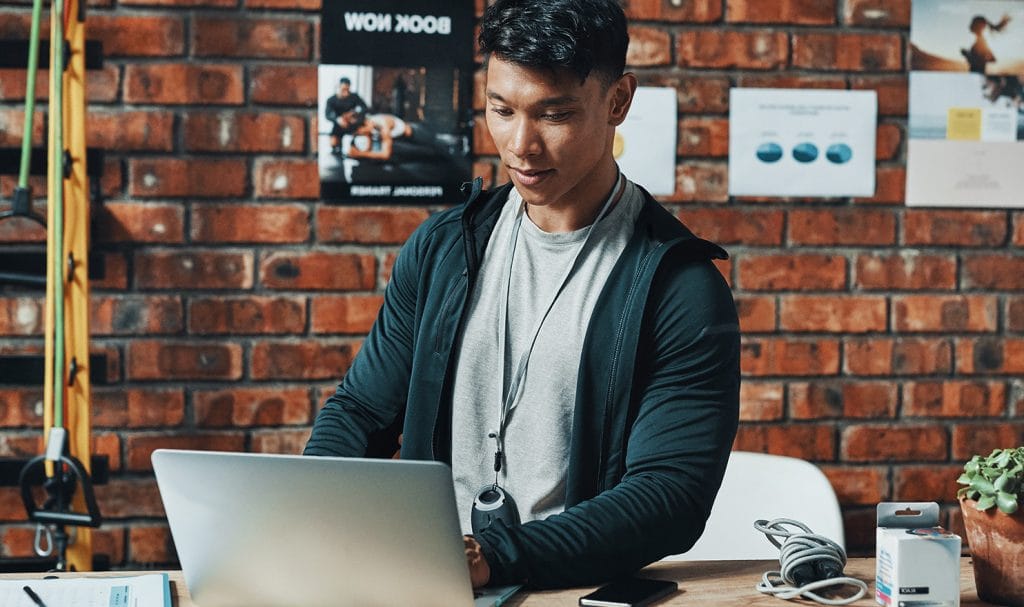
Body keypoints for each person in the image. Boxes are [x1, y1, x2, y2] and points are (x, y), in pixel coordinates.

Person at [304, 0, 740, 590]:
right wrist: (302, 510)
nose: (521, 145)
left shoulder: (678, 287)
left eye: (554, 115)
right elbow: (361, 412)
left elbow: (669, 495)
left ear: (618, 102)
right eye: (501, 110)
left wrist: (494, 557)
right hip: (429, 583)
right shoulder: (442, 249)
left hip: (572, 591)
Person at [325, 77, 369, 153]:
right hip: (339, 124)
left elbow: (364, 107)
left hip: (353, 123)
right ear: (339, 87)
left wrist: (355, 114)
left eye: (347, 90)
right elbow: (328, 114)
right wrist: (338, 120)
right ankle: (336, 149)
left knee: (364, 134)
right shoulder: (331, 100)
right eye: (343, 89)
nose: (345, 92)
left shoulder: (354, 97)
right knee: (333, 142)